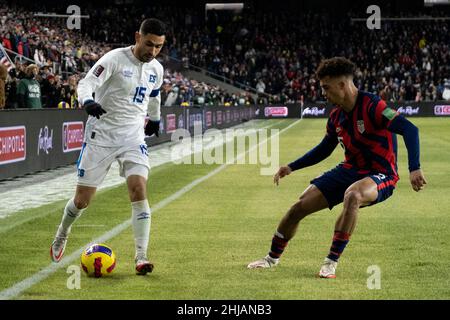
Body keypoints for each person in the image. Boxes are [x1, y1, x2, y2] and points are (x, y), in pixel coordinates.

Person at [247, 57, 427, 278]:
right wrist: (292, 167)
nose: (324, 93)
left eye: (326, 87)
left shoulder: (374, 106)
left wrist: (414, 167)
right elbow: (325, 148)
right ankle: (270, 259)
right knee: (298, 207)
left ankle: (330, 262)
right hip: (349, 170)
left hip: (381, 174)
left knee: (353, 195)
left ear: (342, 85)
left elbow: (410, 130)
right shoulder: (336, 116)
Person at [50, 18, 166, 275]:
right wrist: (88, 101)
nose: (153, 51)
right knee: (82, 201)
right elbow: (86, 83)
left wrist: (156, 119)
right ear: (138, 37)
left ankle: (141, 256)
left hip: (133, 137)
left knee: (139, 190)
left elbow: (155, 95)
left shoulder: (156, 68)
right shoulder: (114, 59)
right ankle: (62, 233)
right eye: (149, 44)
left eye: (158, 46)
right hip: (101, 136)